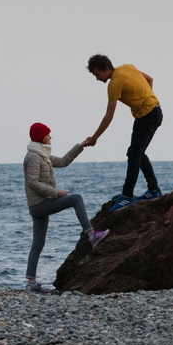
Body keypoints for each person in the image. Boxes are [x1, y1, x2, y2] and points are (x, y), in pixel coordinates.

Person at [23, 122, 110, 294]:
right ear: (41, 137)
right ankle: (91, 235)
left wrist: (80, 146)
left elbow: (63, 161)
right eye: (48, 134)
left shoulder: (42, 154)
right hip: (40, 205)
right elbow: (32, 183)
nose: (51, 137)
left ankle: (30, 283)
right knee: (76, 199)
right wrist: (55, 192)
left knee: (38, 243)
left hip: (39, 204)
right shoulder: (33, 157)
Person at [83, 54, 164, 212]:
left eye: (98, 74)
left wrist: (94, 138)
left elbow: (109, 116)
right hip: (154, 111)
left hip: (147, 116)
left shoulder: (114, 85)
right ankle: (154, 190)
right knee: (138, 152)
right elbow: (150, 79)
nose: (97, 79)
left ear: (106, 68)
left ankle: (127, 196)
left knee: (134, 153)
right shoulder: (128, 67)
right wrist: (146, 99)